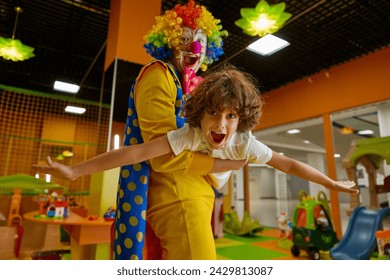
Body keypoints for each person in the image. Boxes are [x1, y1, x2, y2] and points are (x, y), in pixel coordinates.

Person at [34, 65, 358, 258]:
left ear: (241, 119)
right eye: (214, 113)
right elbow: (135, 153)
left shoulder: (245, 143)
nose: (221, 125)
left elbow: (287, 164)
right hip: (193, 191)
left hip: (209, 192)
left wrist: (331, 183)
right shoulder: (189, 135)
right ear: (199, 113)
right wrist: (74, 169)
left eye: (231, 116)